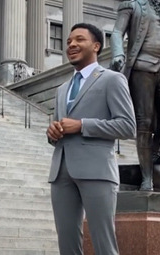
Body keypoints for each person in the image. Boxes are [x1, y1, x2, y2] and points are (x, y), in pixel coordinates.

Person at [46, 23, 136, 255]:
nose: (72, 45)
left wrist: (82, 125)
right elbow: (60, 126)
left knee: (104, 244)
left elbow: (128, 126)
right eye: (68, 42)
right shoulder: (62, 89)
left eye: (79, 40)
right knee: (67, 245)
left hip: (97, 171)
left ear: (96, 46)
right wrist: (53, 132)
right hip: (61, 172)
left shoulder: (112, 80)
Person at [111, 0, 160, 191]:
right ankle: (146, 178)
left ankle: (154, 155)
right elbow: (116, 32)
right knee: (144, 122)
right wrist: (117, 54)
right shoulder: (132, 5)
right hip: (142, 66)